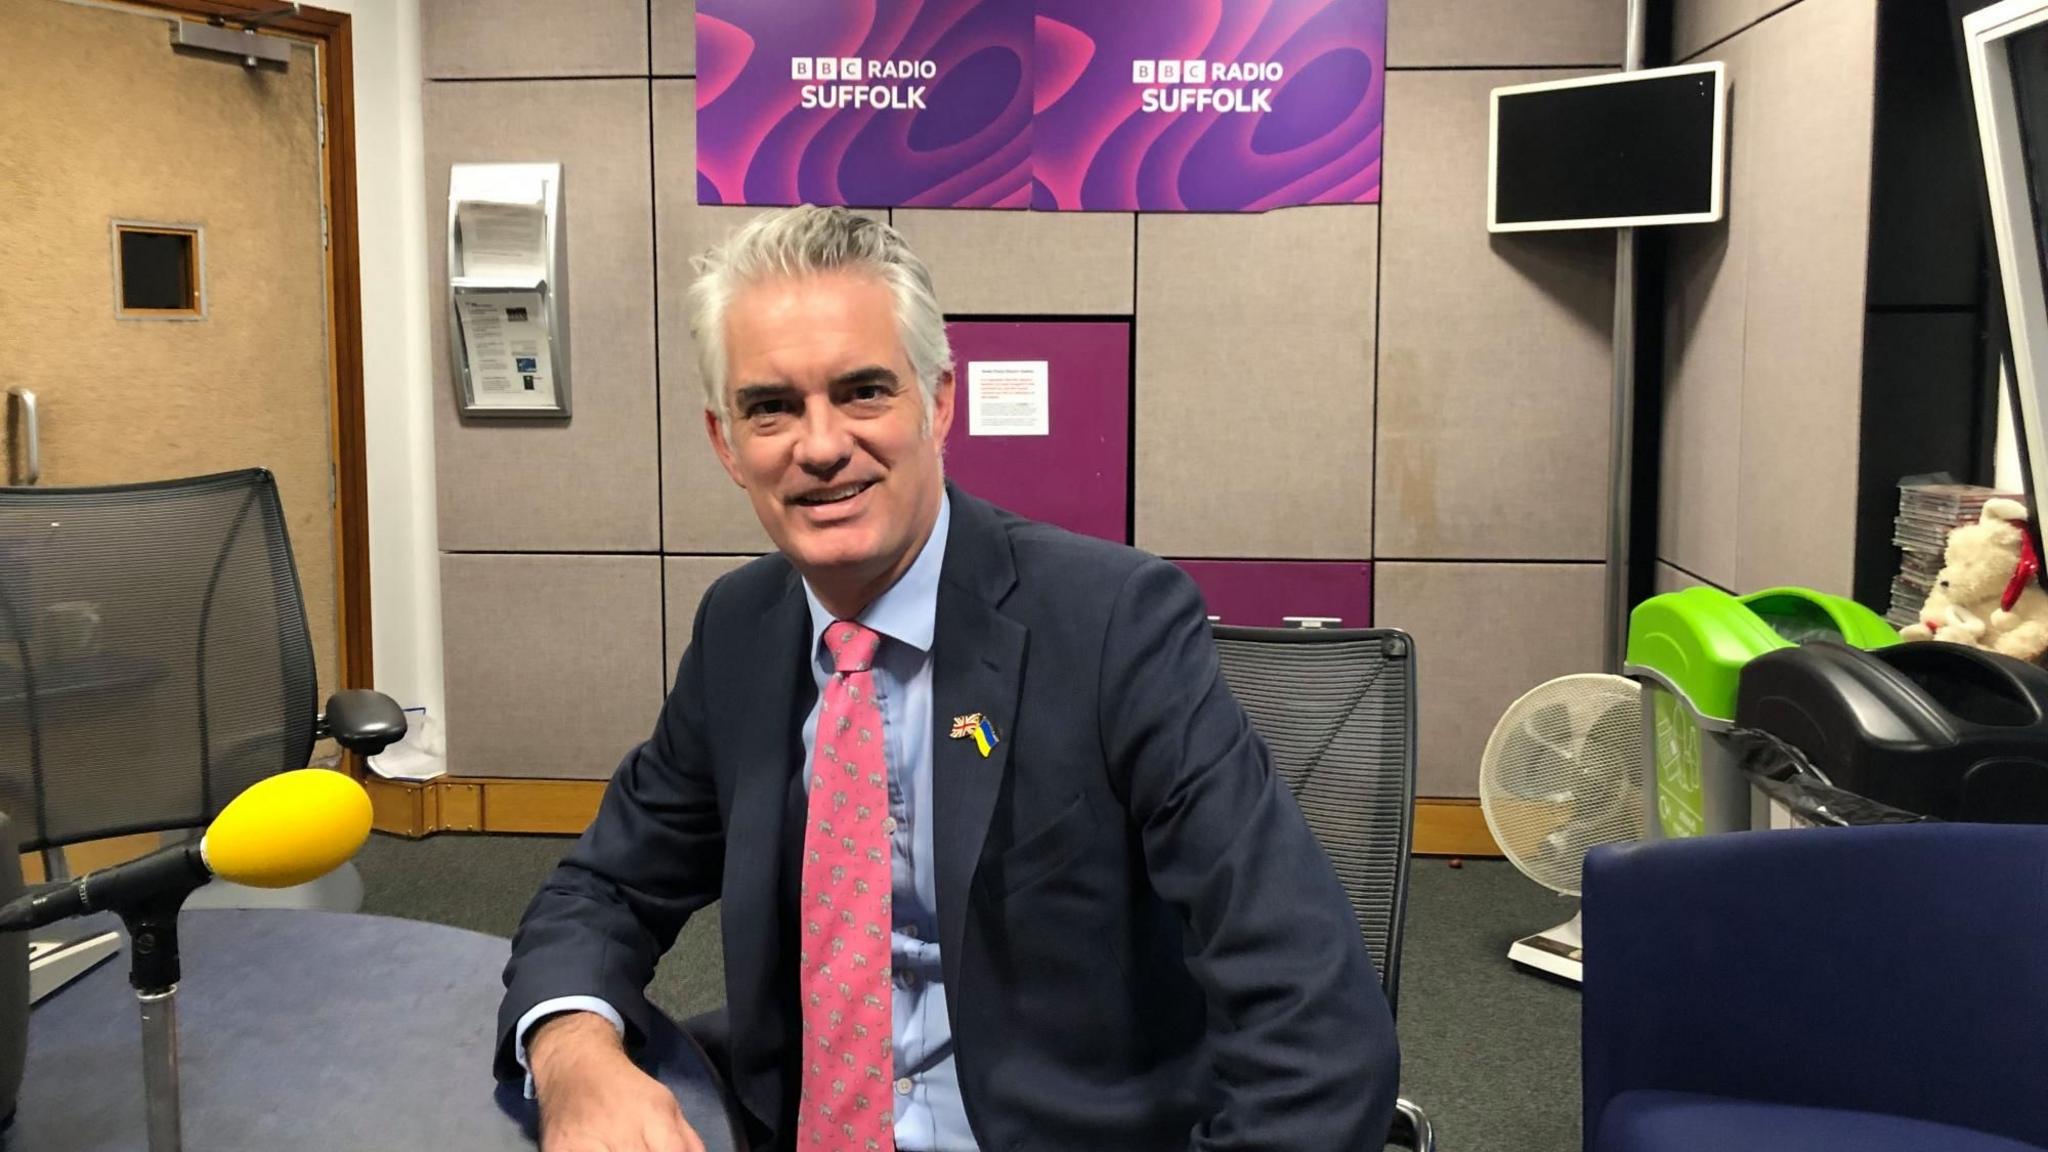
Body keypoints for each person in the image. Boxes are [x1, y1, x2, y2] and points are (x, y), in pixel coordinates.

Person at [496, 205, 1399, 1152]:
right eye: (772, 407)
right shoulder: (742, 630)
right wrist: (574, 1056)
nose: (819, 445)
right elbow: (599, 891)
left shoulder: (1113, 626)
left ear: (937, 403)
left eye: (862, 392)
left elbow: (1319, 1028)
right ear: (727, 442)